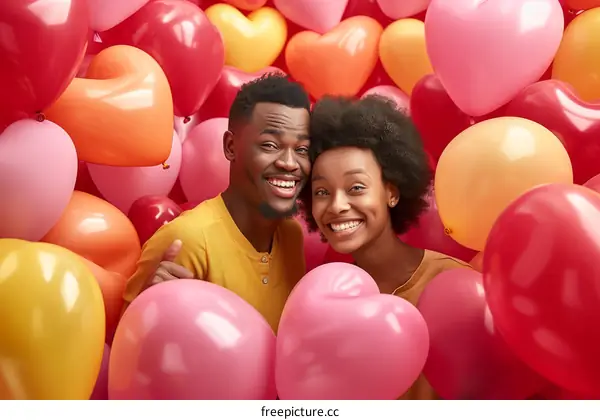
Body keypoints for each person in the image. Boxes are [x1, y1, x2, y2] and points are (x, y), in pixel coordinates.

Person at [300, 95, 472, 399]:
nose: (337, 206)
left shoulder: (451, 284)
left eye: (355, 188)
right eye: (322, 191)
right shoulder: (323, 300)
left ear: (391, 192)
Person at [122, 73, 312, 332]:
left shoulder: (291, 237)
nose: (290, 163)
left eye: (302, 149)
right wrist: (150, 311)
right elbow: (130, 356)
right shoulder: (187, 241)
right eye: (270, 145)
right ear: (231, 146)